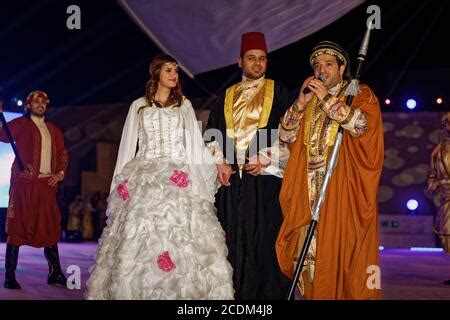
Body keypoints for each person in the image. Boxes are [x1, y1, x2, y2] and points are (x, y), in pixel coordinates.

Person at [85, 54, 234, 300]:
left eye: (176, 70)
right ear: (156, 74)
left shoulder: (183, 105)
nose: (174, 75)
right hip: (145, 175)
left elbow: (194, 145)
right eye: (168, 70)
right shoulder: (139, 106)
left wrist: (217, 162)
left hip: (178, 176)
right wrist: (118, 185)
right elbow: (127, 145)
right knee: (138, 238)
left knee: (182, 237)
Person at [276, 41, 384, 299]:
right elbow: (285, 135)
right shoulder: (309, 99)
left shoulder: (359, 93)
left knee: (343, 255)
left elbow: (360, 126)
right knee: (309, 255)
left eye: (328, 64)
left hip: (342, 190)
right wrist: (300, 104)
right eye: (316, 65)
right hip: (308, 191)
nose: (321, 69)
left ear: (342, 67)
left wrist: (326, 98)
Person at [206, 32, 291, 299]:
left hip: (266, 179)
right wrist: (220, 162)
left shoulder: (280, 92)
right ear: (239, 61)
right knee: (232, 238)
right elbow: (212, 134)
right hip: (232, 181)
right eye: (251, 59)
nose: (257, 64)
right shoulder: (225, 96)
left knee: (266, 240)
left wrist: (267, 157)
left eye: (262, 59)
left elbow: (292, 132)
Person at [0, 90, 68, 289]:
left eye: (44, 101)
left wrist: (60, 174)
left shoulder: (54, 130)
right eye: (36, 101)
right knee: (18, 227)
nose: (41, 104)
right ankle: (10, 276)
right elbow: (3, 135)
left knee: (50, 227)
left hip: (46, 186)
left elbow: (63, 155)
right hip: (24, 184)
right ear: (28, 105)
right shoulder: (20, 125)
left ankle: (55, 272)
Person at [427, 112, 450, 285]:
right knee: (446, 236)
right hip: (446, 197)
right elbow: (432, 175)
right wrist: (433, 187)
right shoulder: (438, 150)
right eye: (446, 123)